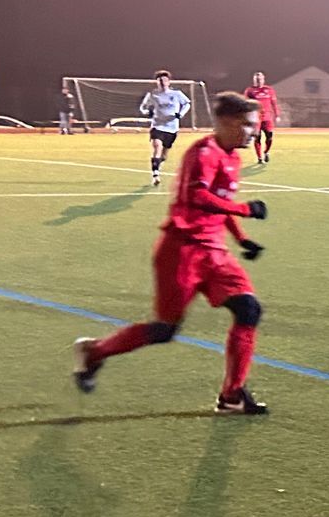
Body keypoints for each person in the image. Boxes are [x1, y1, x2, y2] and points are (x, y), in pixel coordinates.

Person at [72, 91, 271, 415]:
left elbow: (219, 205)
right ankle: (94, 353)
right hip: (181, 252)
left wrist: (242, 239)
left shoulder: (233, 157)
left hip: (214, 253)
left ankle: (232, 395)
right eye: (247, 124)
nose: (253, 131)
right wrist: (245, 210)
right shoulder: (203, 153)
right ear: (225, 122)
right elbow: (198, 198)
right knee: (164, 330)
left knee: (249, 310)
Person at [139, 70, 193, 185]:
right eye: (160, 80)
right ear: (157, 82)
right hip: (157, 126)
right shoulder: (153, 94)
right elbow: (143, 107)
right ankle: (155, 175)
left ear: (169, 82)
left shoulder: (176, 94)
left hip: (172, 128)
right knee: (157, 147)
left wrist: (181, 114)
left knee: (164, 154)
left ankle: (158, 164)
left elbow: (187, 103)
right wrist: (147, 112)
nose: (163, 82)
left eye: (164, 80)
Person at [243, 72, 280, 165]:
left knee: (269, 137)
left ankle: (266, 152)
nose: (258, 81)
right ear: (254, 80)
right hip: (256, 118)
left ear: (263, 79)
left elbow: (274, 103)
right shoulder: (250, 90)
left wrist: (277, 115)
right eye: (256, 79)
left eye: (260, 79)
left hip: (267, 118)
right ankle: (259, 158)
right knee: (257, 138)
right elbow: (246, 104)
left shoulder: (269, 90)